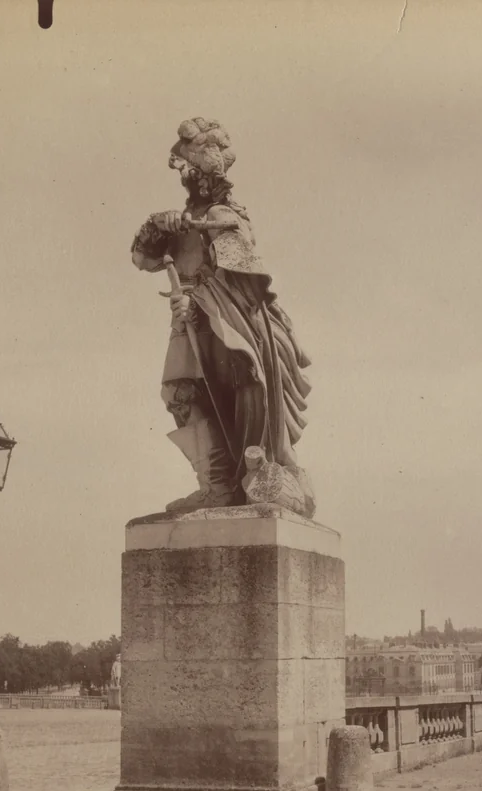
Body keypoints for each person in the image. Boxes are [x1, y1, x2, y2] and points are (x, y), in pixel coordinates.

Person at [131, 118, 314, 516]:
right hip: (190, 320)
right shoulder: (182, 220)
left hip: (225, 324)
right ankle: (215, 486)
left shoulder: (224, 213)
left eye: (187, 167)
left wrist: (196, 301)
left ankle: (240, 482)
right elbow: (141, 257)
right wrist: (156, 226)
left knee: (235, 391)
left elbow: (240, 276)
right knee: (180, 392)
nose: (183, 175)